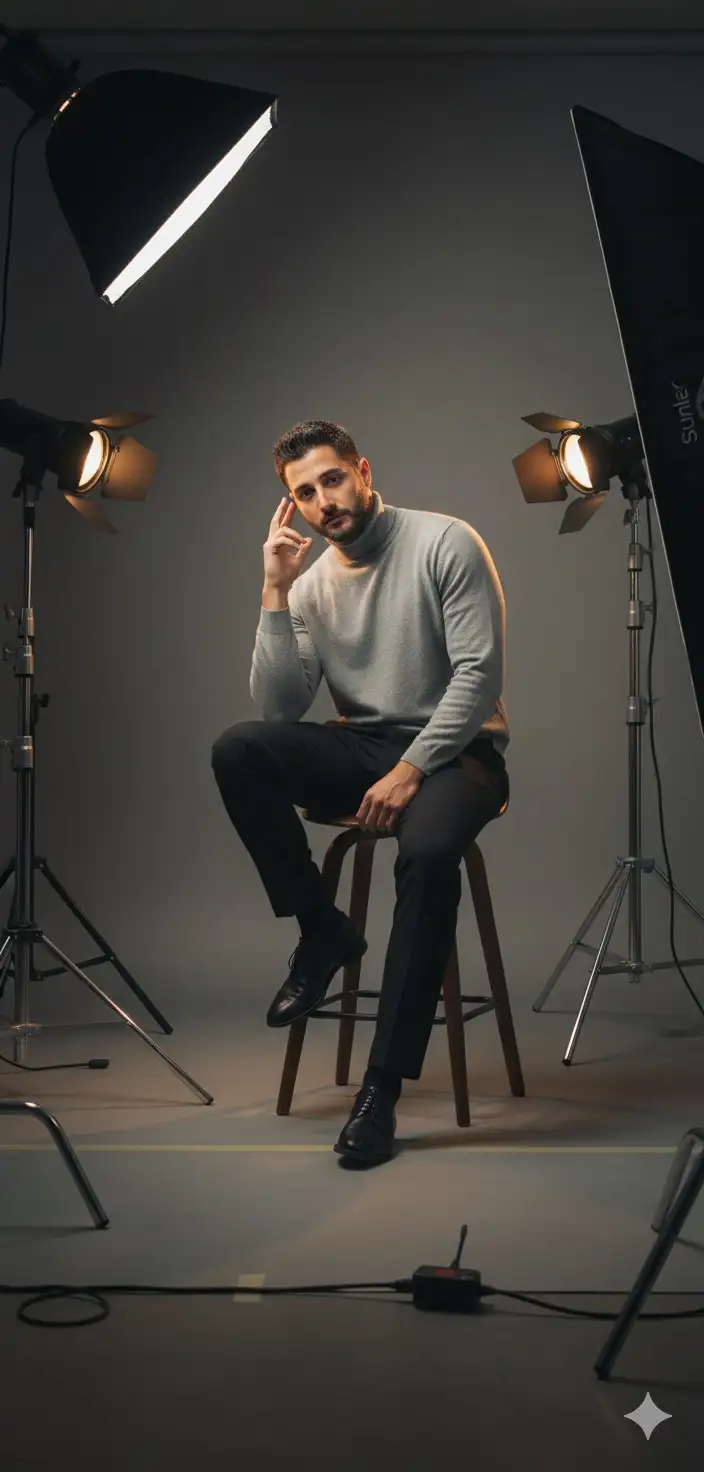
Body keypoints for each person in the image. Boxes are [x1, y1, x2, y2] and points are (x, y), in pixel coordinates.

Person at [211, 420, 510, 1169]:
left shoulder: (446, 542)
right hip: (366, 745)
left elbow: (478, 679)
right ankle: (323, 930)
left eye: (332, 480)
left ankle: (380, 1091)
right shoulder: (310, 586)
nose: (322, 501)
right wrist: (275, 592)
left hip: (457, 751)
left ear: (362, 470)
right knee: (240, 749)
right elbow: (281, 707)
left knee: (431, 850)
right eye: (303, 493)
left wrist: (412, 768)